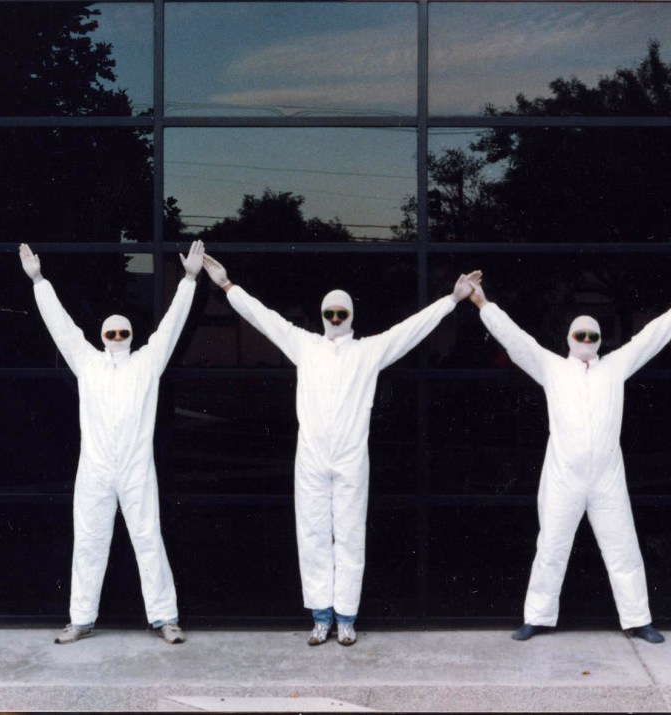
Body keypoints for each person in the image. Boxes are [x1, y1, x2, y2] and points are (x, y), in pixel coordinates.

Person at [201, 254, 481, 647]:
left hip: (350, 458)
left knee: (349, 535)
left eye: (341, 314)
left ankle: (346, 617)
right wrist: (227, 285)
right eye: (329, 313)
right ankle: (321, 616)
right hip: (312, 458)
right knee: (312, 534)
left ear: (351, 316)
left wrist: (451, 300)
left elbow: (410, 330)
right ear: (321, 315)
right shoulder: (305, 345)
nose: (335, 319)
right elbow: (265, 318)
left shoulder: (368, 351)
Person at [469, 278, 671, 644]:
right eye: (581, 335)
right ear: (570, 339)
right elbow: (516, 340)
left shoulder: (615, 366)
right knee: (551, 547)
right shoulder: (552, 367)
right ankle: (537, 617)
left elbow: (649, 339)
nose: (587, 341)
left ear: (600, 339)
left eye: (593, 336)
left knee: (624, 549)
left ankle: (638, 619)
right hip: (564, 477)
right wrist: (484, 305)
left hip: (607, 478)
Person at [19, 241, 205, 645]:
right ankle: (80, 619)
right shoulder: (87, 363)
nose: (118, 337)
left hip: (137, 468)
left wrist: (190, 280)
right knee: (88, 542)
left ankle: (165, 617)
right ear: (102, 336)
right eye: (111, 333)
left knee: (148, 539)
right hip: (96, 469)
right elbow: (62, 327)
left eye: (123, 333)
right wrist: (39, 282)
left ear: (131, 336)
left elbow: (171, 327)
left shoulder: (147, 363)